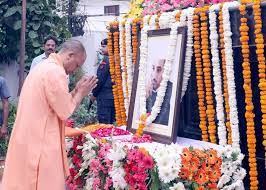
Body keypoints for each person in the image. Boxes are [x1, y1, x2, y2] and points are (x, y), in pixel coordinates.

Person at [2, 39, 98, 190]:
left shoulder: (43, 67)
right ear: (70, 56)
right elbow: (64, 111)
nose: (75, 70)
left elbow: (57, 101)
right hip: (41, 142)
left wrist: (75, 90)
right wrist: (81, 93)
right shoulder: (55, 71)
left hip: (29, 137)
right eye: (77, 65)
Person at [90, 39, 115, 124]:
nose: (102, 49)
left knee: (104, 124)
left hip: (104, 97)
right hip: (113, 98)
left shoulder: (106, 60)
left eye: (104, 46)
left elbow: (100, 80)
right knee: (111, 124)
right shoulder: (117, 59)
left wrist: (94, 94)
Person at [146, 59, 172, 126]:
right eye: (153, 69)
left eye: (158, 70)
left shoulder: (172, 91)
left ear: (166, 72)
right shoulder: (147, 90)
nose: (153, 76)